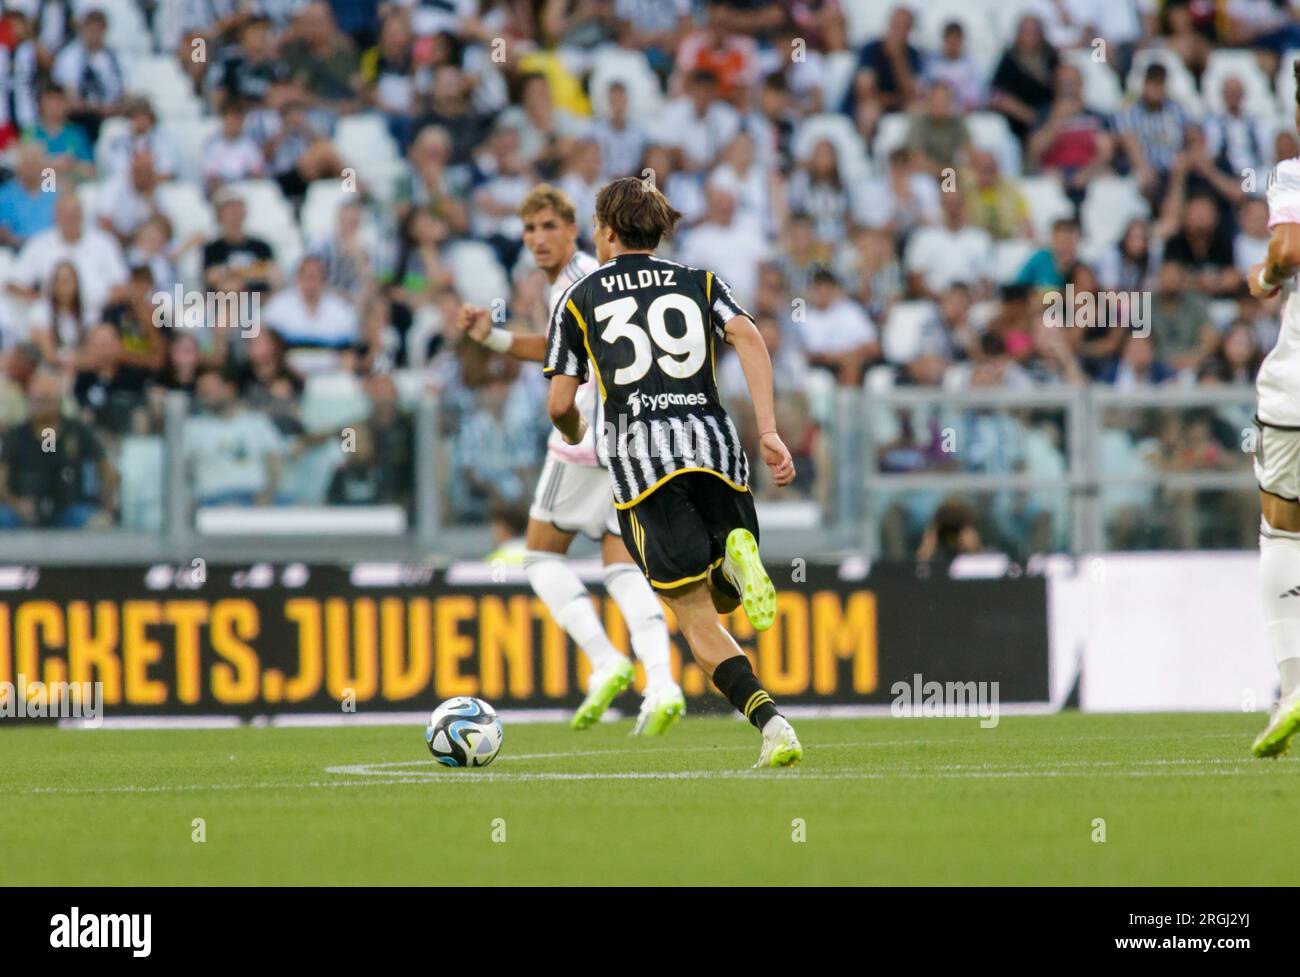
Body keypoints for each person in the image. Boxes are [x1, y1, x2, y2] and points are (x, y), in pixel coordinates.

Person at [543, 175, 803, 768]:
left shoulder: (579, 298)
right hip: (716, 448)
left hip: (643, 465)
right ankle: (736, 556)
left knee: (692, 614)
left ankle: (772, 724)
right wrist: (767, 429)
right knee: (724, 598)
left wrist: (573, 433)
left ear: (606, 232)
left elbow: (561, 403)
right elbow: (747, 335)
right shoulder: (699, 281)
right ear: (659, 231)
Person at [456, 184, 685, 735]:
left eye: (548, 227)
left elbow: (573, 360)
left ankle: (606, 660)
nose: (538, 239)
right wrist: (498, 340)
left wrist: (496, 344)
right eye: (530, 229)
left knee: (539, 557)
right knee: (623, 566)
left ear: (573, 229)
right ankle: (663, 683)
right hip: (634, 443)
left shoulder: (578, 281)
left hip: (584, 439)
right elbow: (561, 344)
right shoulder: (578, 279)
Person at [1245, 62, 1300, 757]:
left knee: (1282, 530)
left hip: (1296, 387)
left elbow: (1287, 249)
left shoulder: (1292, 171)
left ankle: (1292, 685)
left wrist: (1264, 276)